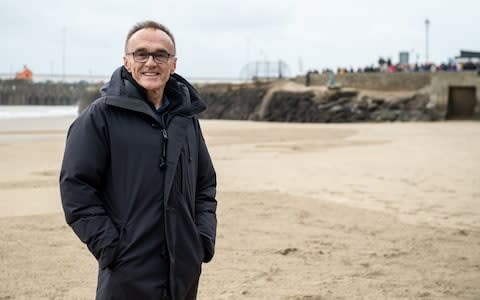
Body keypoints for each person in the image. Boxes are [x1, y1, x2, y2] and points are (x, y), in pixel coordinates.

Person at [59, 20, 217, 300]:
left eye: (160, 55)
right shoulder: (99, 118)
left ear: (173, 64)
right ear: (127, 62)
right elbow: (76, 188)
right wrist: (109, 247)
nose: (151, 63)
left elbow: (205, 185)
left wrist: (201, 239)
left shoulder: (186, 119)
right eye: (141, 54)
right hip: (127, 269)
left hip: (183, 268)